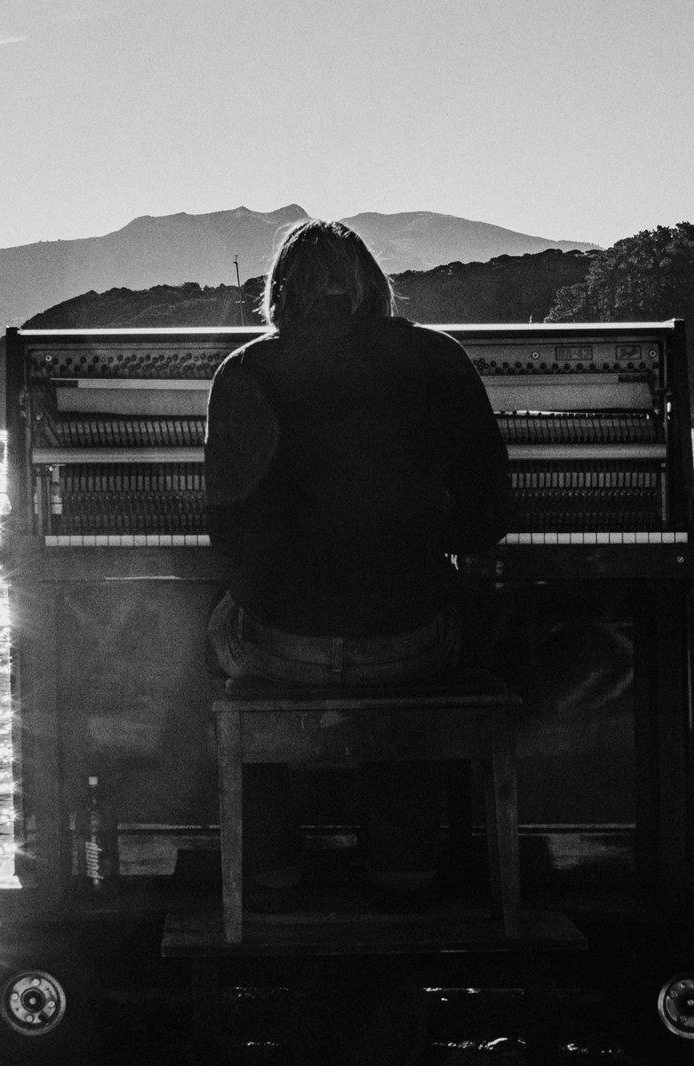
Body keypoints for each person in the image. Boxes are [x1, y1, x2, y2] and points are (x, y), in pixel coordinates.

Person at [204, 219, 510, 906]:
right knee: (429, 641)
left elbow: (224, 535)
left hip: (282, 645)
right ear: (374, 285)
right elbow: (489, 520)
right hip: (411, 640)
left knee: (211, 637)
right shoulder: (441, 359)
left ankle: (272, 867)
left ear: (279, 292)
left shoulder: (245, 369)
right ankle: (407, 866)